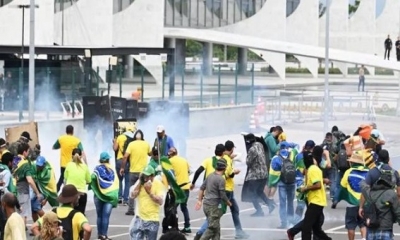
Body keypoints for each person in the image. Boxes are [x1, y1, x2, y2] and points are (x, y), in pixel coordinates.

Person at [359, 154, 400, 239]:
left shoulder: (369, 193)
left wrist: (361, 207)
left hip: (371, 226)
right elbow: (398, 212)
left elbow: (363, 186)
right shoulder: (391, 194)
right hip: (386, 227)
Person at [195, 159, 232, 240]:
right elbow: (222, 194)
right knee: (212, 228)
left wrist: (199, 200)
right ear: (224, 168)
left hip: (206, 205)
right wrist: (228, 202)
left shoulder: (210, 176)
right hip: (214, 207)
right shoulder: (221, 179)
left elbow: (201, 188)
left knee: (216, 227)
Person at [299, 152, 332, 240]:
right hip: (318, 201)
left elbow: (318, 185)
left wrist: (306, 188)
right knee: (316, 229)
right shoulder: (313, 168)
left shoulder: (312, 169)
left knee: (306, 227)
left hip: (316, 202)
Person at [337, 151, 368, 240]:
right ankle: (364, 238)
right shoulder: (368, 171)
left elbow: (342, 186)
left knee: (351, 225)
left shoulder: (348, 172)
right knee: (363, 223)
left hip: (351, 203)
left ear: (352, 162)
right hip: (365, 203)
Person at [121, 129, 151, 216]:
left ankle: (131, 209)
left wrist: (122, 168)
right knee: (145, 190)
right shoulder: (146, 143)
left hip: (133, 171)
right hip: (143, 172)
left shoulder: (131, 144)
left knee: (132, 190)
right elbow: (150, 154)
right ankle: (145, 208)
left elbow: (125, 157)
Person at [243, 133, 275, 216]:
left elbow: (248, 162)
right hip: (264, 173)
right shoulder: (260, 145)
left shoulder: (252, 149)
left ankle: (259, 211)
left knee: (252, 193)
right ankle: (270, 205)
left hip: (255, 175)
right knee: (259, 191)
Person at [129, 166, 165, 240]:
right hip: (140, 218)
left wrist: (149, 192)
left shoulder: (158, 184)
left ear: (152, 176)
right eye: (145, 176)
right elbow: (133, 195)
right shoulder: (141, 182)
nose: (146, 178)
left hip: (152, 220)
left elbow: (160, 201)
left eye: (148, 176)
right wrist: (140, 182)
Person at [12, 142, 43, 226]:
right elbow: (29, 180)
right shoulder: (25, 164)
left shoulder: (14, 160)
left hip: (13, 190)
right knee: (23, 214)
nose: (29, 153)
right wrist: (37, 193)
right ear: (24, 152)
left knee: (17, 214)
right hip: (23, 191)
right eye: (28, 151)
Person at [269, 142, 298, 228]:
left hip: (282, 184)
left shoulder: (276, 158)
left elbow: (273, 171)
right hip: (292, 183)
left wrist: (272, 183)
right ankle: (291, 221)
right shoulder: (293, 155)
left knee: (282, 203)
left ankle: (283, 222)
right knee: (290, 203)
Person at [91, 152, 119, 240]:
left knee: (99, 216)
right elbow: (116, 183)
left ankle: (100, 235)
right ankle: (104, 235)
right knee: (105, 216)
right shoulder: (112, 169)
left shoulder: (97, 169)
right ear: (108, 159)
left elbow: (91, 178)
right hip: (109, 197)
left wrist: (96, 188)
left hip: (98, 196)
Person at [53, 125, 85, 192]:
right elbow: (82, 152)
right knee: (73, 179)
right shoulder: (76, 140)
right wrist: (85, 164)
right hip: (73, 164)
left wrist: (62, 146)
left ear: (66, 131)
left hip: (63, 165)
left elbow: (54, 147)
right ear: (73, 131)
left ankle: (56, 192)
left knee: (62, 178)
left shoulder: (61, 139)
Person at [167, 147, 192, 234]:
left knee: (173, 208)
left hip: (178, 188)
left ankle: (174, 227)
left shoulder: (170, 161)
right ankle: (187, 226)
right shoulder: (183, 160)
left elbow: (168, 174)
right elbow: (190, 171)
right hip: (186, 186)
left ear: (170, 154)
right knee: (184, 207)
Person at [31, 156, 59, 223]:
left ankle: (49, 223)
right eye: (38, 165)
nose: (39, 167)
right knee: (32, 208)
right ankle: (38, 226)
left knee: (36, 207)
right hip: (37, 191)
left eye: (40, 166)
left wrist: (46, 199)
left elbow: (51, 188)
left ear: (44, 164)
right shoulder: (35, 168)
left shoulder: (49, 173)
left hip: (44, 193)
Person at [64, 148, 91, 215]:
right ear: (81, 156)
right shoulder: (84, 167)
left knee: (69, 216)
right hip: (82, 193)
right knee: (80, 216)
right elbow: (89, 180)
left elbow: (65, 178)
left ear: (71, 156)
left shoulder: (69, 165)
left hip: (70, 193)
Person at [113, 125, 135, 205]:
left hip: (119, 160)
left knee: (119, 179)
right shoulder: (132, 139)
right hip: (128, 161)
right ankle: (126, 199)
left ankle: (119, 197)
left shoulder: (119, 137)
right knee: (127, 181)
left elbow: (115, 149)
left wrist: (114, 142)